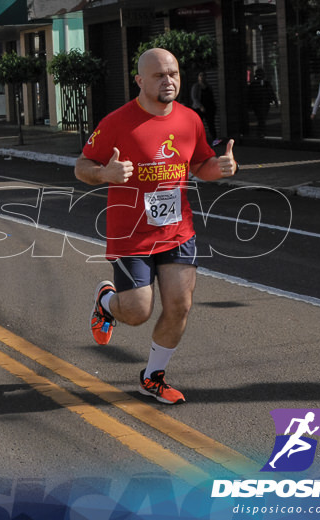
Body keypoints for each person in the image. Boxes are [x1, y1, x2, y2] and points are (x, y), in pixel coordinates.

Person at [75, 48, 237, 405]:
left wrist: (221, 168)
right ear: (139, 80)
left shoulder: (190, 119)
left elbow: (200, 166)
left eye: (174, 73)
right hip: (130, 234)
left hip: (178, 230)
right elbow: (82, 165)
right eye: (159, 75)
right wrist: (104, 173)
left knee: (179, 305)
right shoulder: (117, 122)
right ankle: (106, 302)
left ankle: (153, 377)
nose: (169, 81)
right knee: (137, 311)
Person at [190, 71, 219, 146]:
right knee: (198, 125)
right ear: (198, 77)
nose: (202, 77)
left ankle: (215, 141)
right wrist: (200, 106)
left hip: (209, 108)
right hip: (198, 109)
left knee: (211, 124)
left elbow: (211, 97)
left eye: (203, 75)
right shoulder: (196, 86)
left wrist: (214, 107)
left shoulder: (209, 86)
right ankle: (198, 142)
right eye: (200, 75)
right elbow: (194, 98)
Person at [246, 67, 276, 137]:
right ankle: (261, 132)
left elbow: (250, 95)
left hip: (259, 104)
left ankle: (261, 132)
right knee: (262, 118)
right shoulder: (263, 84)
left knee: (261, 118)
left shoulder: (255, 84)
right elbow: (271, 92)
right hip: (261, 104)